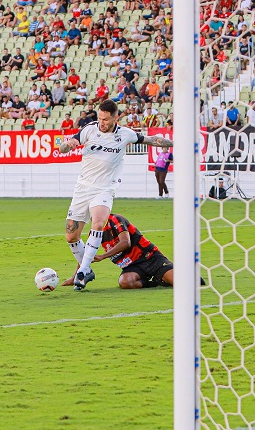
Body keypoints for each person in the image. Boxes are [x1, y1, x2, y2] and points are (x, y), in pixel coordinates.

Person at [58, 99, 173, 290]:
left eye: (106, 119)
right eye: (100, 118)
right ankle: (86, 270)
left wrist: (176, 143)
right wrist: (67, 145)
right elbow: (69, 144)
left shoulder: (125, 134)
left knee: (98, 223)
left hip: (104, 189)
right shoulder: (90, 129)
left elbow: (151, 140)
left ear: (115, 117)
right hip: (82, 188)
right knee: (71, 236)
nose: (102, 122)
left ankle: (83, 271)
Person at [93, 214, 174, 289]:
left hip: (149, 257)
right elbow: (87, 254)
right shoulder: (95, 232)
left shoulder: (115, 219)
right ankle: (155, 281)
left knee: (177, 282)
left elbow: (125, 243)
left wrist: (102, 256)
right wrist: (80, 274)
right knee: (125, 282)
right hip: (132, 265)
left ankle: (166, 274)